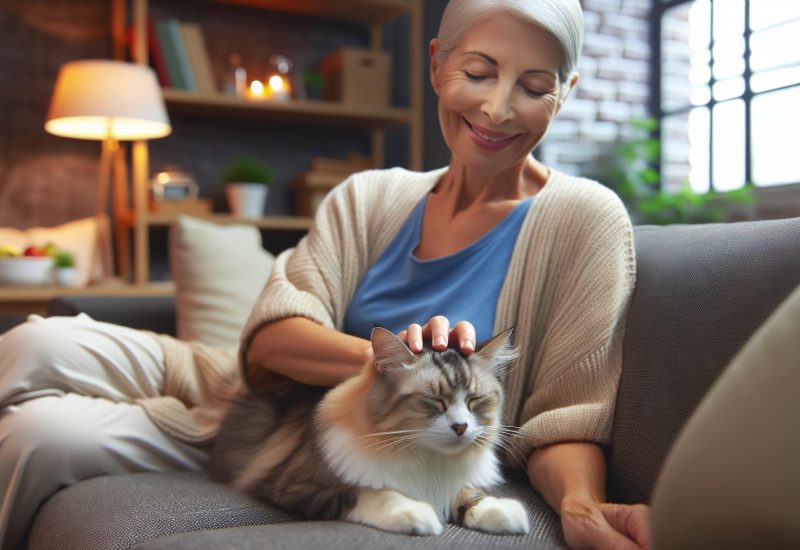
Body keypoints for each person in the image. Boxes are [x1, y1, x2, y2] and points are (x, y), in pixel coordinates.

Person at [0, 0, 649, 548]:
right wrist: (393, 367)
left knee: (39, 436)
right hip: (230, 381)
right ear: (435, 65)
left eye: (535, 87)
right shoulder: (369, 196)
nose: (499, 109)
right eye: (479, 72)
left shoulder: (584, 220)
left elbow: (568, 413)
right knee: (34, 341)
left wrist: (582, 510)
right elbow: (273, 338)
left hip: (287, 441)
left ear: (566, 93)